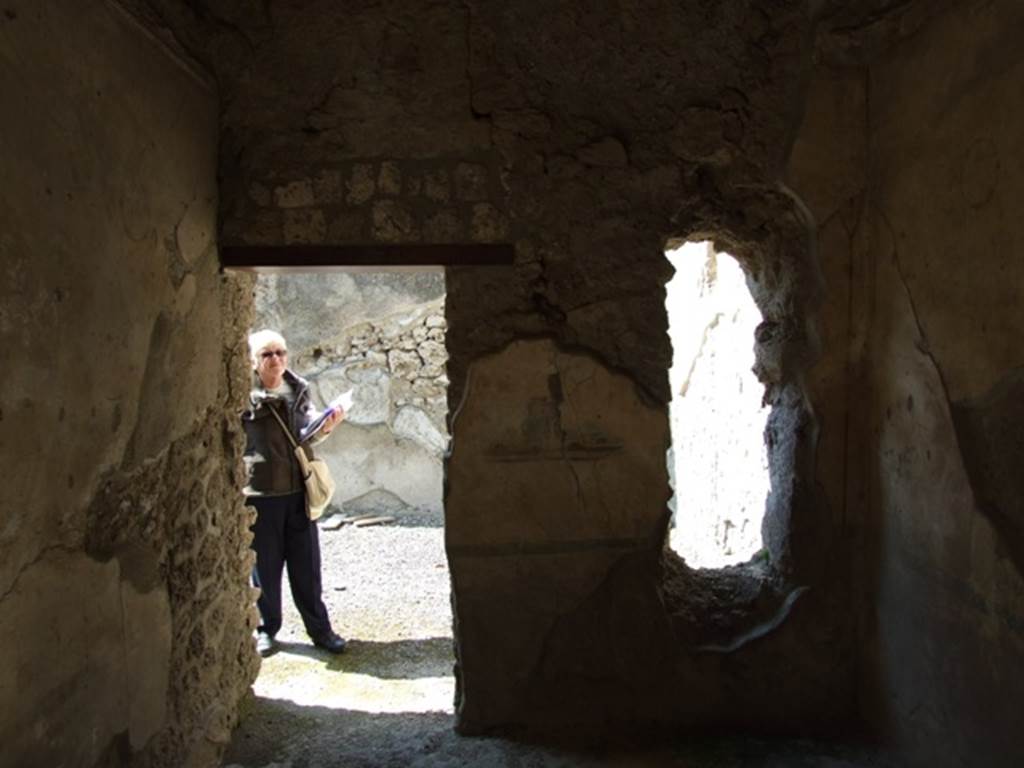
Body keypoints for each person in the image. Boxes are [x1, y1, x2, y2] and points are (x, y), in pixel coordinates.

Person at [241, 329, 346, 657]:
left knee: (307, 566)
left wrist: (324, 425)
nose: (276, 360)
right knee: (265, 569)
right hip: (260, 493)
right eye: (267, 354)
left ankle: (320, 630)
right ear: (254, 362)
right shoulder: (244, 395)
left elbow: (304, 432)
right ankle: (266, 630)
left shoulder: (298, 389)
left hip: (297, 490)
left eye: (281, 353)